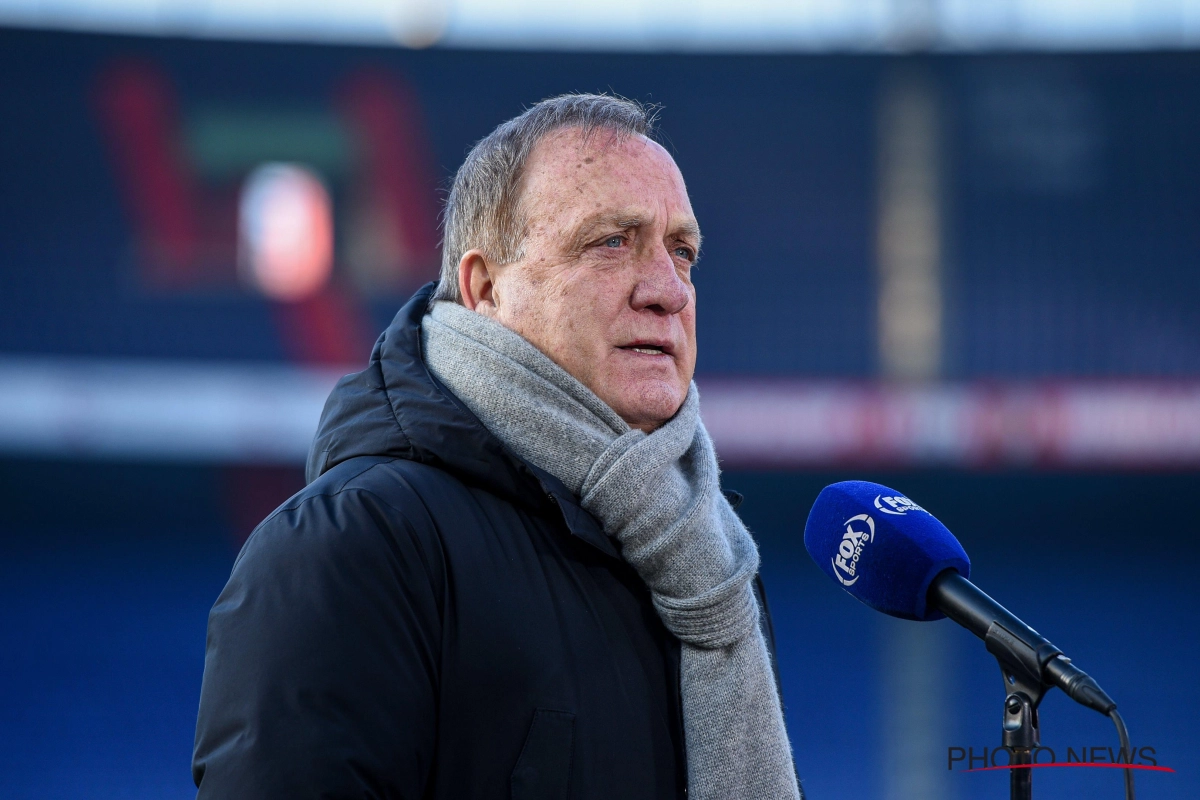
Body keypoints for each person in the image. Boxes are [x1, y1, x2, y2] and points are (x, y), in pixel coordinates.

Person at [193, 94, 801, 800]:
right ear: (484, 288)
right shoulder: (354, 545)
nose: (668, 290)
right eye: (612, 242)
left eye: (683, 252)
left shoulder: (712, 566)